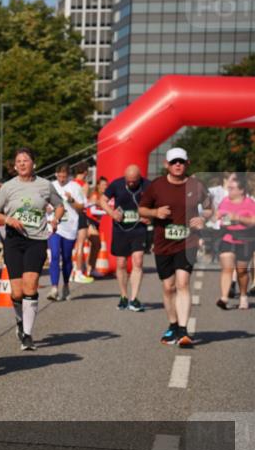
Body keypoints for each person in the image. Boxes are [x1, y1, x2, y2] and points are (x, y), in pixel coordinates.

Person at [0, 148, 64, 350]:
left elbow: (59, 205)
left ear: (33, 164)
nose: (22, 164)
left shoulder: (45, 185)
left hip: (36, 239)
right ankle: (20, 321)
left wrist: (56, 218)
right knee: (17, 292)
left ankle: (28, 335)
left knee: (31, 285)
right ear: (14, 166)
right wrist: (8, 219)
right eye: (18, 161)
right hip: (14, 241)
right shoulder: (8, 188)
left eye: (26, 160)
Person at [138, 147, 211, 347]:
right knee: (168, 287)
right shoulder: (157, 185)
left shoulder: (196, 185)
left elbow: (209, 208)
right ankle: (172, 324)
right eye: (173, 162)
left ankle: (184, 330)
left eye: (181, 161)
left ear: (187, 163)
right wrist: (155, 212)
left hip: (188, 243)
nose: (177, 165)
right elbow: (141, 209)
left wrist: (203, 219)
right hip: (163, 244)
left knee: (183, 284)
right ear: (166, 165)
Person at [99, 165, 151, 311]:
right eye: (128, 181)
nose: (131, 184)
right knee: (121, 263)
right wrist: (111, 213)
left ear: (139, 178)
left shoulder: (147, 185)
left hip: (139, 229)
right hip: (120, 229)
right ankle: (123, 296)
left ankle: (134, 299)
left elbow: (158, 204)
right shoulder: (116, 184)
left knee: (138, 260)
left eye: (134, 181)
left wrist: (149, 216)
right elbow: (102, 200)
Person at [215, 172, 255, 310]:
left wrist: (238, 218)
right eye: (228, 188)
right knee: (227, 267)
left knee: (242, 271)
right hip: (228, 238)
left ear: (241, 190)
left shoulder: (249, 203)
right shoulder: (225, 201)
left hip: (245, 240)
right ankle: (224, 298)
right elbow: (218, 217)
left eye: (232, 189)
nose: (229, 191)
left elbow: (253, 221)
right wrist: (219, 220)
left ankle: (243, 295)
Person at [47, 164, 84, 301]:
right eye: (60, 176)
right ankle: (54, 288)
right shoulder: (50, 186)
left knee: (67, 258)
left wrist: (71, 200)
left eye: (64, 176)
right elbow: (43, 202)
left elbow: (81, 207)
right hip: (54, 225)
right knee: (55, 255)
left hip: (70, 226)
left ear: (68, 176)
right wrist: (47, 207)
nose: (62, 179)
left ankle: (66, 285)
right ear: (56, 175)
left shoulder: (75, 187)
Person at [71, 163, 94, 284]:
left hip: (70, 215)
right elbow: (83, 202)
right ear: (85, 172)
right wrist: (93, 202)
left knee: (71, 245)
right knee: (80, 245)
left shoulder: (71, 184)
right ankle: (79, 272)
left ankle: (71, 271)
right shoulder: (84, 185)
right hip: (80, 215)